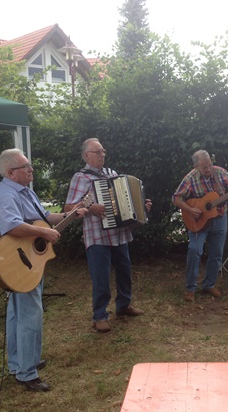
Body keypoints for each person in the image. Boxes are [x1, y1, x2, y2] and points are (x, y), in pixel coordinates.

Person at [0, 148, 86, 391]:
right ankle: (26, 373)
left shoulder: (25, 192)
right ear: (11, 173)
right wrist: (43, 232)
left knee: (17, 314)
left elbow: (43, 217)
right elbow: (11, 225)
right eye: (26, 167)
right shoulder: (4, 194)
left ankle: (21, 362)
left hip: (30, 259)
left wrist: (70, 215)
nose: (31, 169)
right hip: (15, 262)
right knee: (29, 314)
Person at [65, 138, 151, 333]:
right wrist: (90, 206)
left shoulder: (113, 174)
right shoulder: (81, 178)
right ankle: (100, 316)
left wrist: (141, 207)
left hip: (119, 234)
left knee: (124, 271)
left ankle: (123, 305)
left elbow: (126, 201)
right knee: (101, 276)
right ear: (87, 156)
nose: (102, 155)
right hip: (97, 236)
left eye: (103, 151)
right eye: (97, 152)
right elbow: (69, 207)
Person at [172, 150, 228, 302]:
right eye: (204, 167)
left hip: (220, 219)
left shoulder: (220, 172)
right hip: (198, 220)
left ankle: (209, 284)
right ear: (196, 167)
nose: (208, 169)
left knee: (216, 254)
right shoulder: (190, 178)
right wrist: (190, 209)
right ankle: (190, 288)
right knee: (194, 250)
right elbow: (176, 198)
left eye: (209, 165)